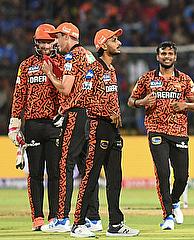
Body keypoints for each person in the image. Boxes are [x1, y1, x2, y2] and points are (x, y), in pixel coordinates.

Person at [68, 28, 140, 238]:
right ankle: (78, 224)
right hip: (97, 126)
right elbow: (84, 98)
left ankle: (116, 224)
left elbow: (110, 99)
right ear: (102, 44)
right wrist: (108, 113)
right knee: (90, 177)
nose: (119, 43)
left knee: (115, 178)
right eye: (114, 40)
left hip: (111, 129)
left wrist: (114, 113)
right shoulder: (94, 68)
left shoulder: (111, 70)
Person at [128, 41, 194, 231]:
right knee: (162, 173)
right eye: (163, 54)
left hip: (179, 131)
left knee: (182, 177)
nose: (167, 56)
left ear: (175, 57)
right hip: (156, 130)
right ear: (157, 57)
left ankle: (175, 201)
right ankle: (167, 215)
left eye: (170, 54)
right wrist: (142, 101)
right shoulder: (146, 78)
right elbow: (131, 101)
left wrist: (185, 105)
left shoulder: (184, 79)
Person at [40, 22, 101, 233]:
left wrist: (49, 73)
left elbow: (65, 89)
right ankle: (93, 217)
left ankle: (62, 218)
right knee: (87, 168)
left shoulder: (72, 57)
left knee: (65, 164)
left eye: (57, 37)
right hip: (91, 115)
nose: (55, 42)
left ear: (67, 37)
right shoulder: (89, 55)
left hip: (75, 113)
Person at [8, 23, 62, 231]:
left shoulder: (62, 63)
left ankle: (55, 217)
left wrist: (64, 115)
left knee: (56, 173)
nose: (45, 45)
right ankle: (38, 217)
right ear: (36, 43)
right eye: (42, 41)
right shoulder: (26, 65)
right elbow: (19, 95)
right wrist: (14, 123)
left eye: (49, 41)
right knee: (36, 173)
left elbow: (67, 90)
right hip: (32, 125)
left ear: (55, 42)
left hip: (55, 123)